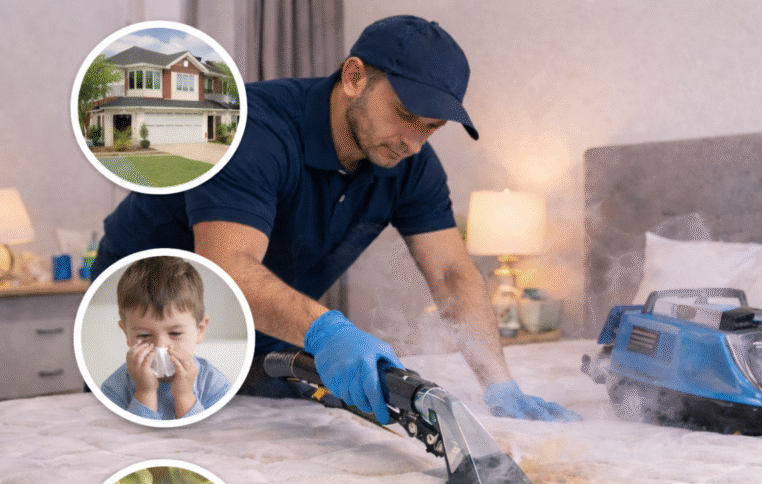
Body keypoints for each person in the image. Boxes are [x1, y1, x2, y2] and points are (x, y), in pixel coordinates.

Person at [91, 14, 579, 424]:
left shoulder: (410, 163)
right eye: (406, 115)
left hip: (262, 326)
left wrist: (500, 386)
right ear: (353, 78)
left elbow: (452, 275)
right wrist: (328, 330)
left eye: (431, 128)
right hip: (149, 303)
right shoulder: (251, 132)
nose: (414, 141)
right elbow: (228, 271)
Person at [101, 255, 233, 420]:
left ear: (200, 330)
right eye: (144, 335)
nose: (160, 346)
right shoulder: (114, 388)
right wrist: (145, 392)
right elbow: (127, 438)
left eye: (175, 333)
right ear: (127, 334)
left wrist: (184, 395)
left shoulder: (214, 384)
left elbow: (210, 437)